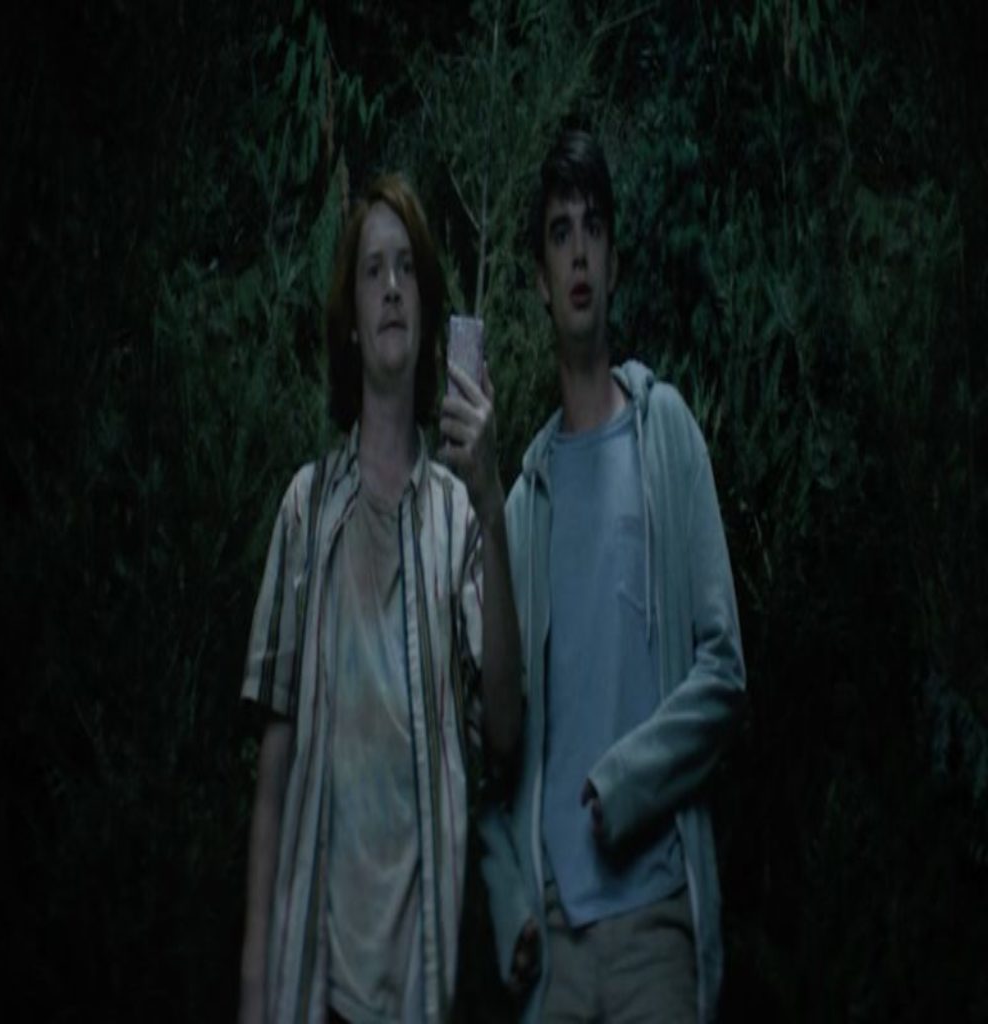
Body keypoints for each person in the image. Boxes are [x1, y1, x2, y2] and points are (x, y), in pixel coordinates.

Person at [238, 173, 521, 1024]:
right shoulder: (305, 508)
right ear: (352, 325)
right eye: (372, 271)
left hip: (419, 978)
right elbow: (274, 767)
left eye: (406, 269)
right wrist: (253, 982)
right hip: (311, 977)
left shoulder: (456, 519)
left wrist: (494, 506)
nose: (392, 287)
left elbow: (505, 730)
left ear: (426, 312)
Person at [480, 130, 747, 1022]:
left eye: (593, 228)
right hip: (555, 942)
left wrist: (626, 782)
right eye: (560, 233)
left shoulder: (666, 433)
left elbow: (723, 671)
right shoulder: (524, 502)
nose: (579, 252)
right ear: (540, 277)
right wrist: (511, 902)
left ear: (616, 261)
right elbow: (491, 752)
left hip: (655, 922)